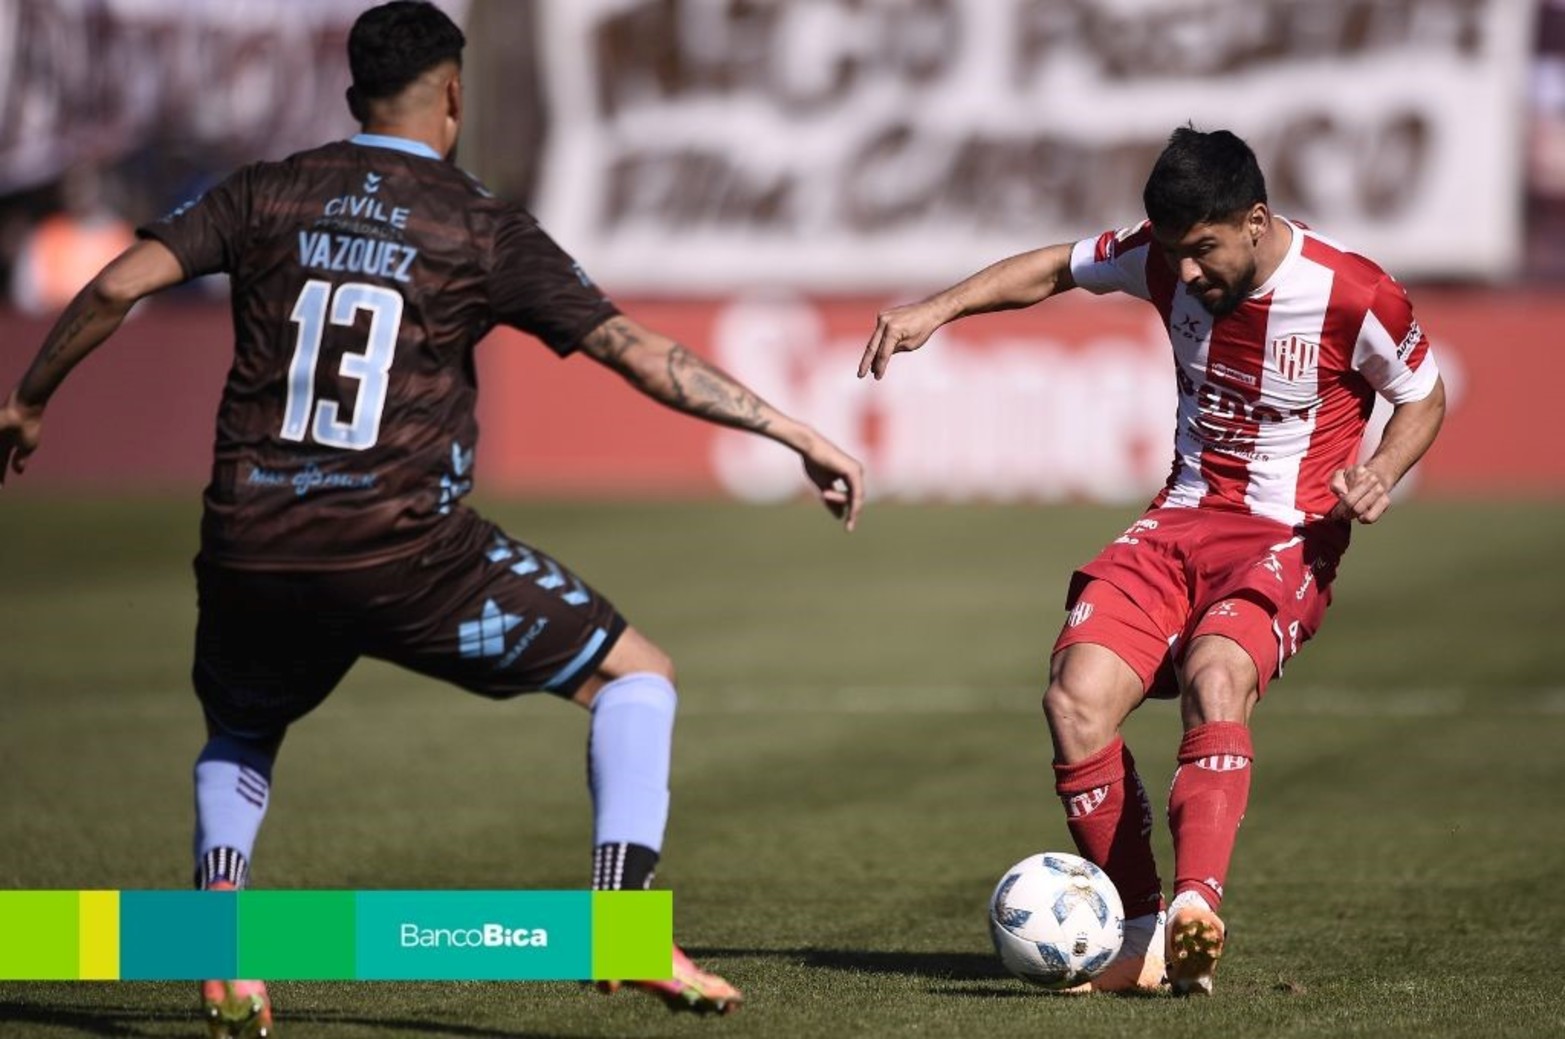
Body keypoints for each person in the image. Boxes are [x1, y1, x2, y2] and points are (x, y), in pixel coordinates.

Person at [0, 2, 864, 1035]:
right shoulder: (477, 223)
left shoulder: (265, 191)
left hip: (251, 541)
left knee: (241, 725)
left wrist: (31, 398)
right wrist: (789, 429)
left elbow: (115, 285)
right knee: (635, 674)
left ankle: (220, 946)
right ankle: (623, 926)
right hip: (405, 554)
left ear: (349, 92)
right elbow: (639, 353)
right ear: (453, 92)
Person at [858, 127, 1444, 996]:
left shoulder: (1353, 291)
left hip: (1288, 533)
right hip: (1176, 522)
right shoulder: (1163, 258)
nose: (1188, 272)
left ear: (1254, 219)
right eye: (1173, 252)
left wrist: (1382, 471)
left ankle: (1196, 907)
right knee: (1074, 697)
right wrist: (931, 311)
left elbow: (1421, 395)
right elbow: (1056, 267)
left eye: (1202, 249)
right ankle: (1138, 931)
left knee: (1217, 673)